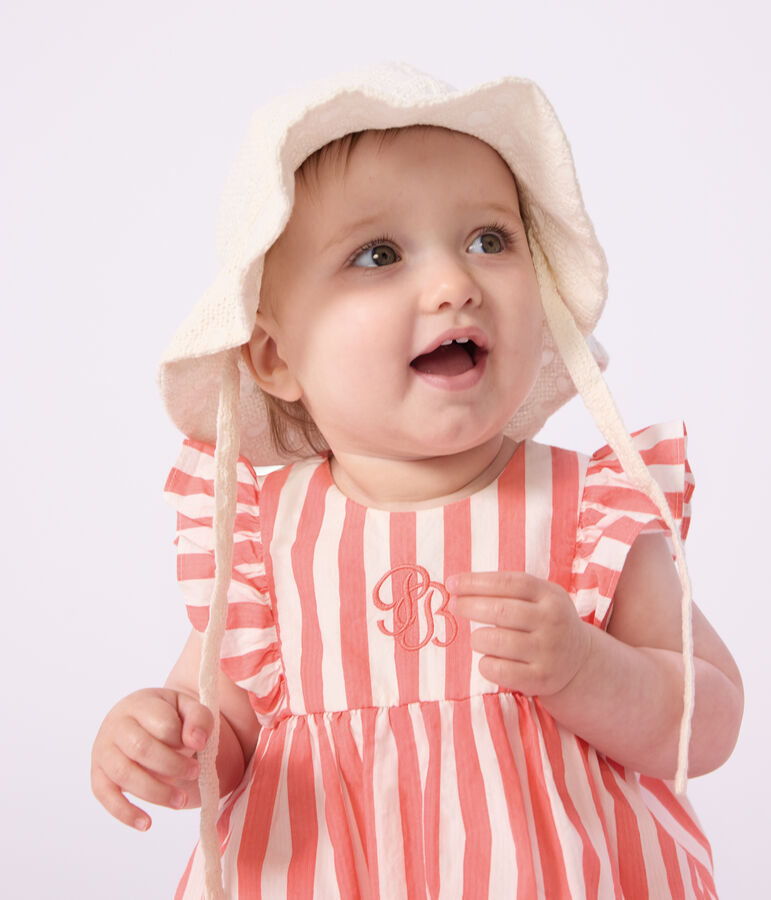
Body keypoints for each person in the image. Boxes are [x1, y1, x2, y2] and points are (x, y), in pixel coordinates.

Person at [91, 64, 743, 899]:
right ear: (274, 357)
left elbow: (707, 724)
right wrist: (166, 738)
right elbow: (221, 733)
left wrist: (585, 670)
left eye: (488, 240)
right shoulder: (267, 538)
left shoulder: (585, 516)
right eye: (378, 254)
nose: (453, 283)